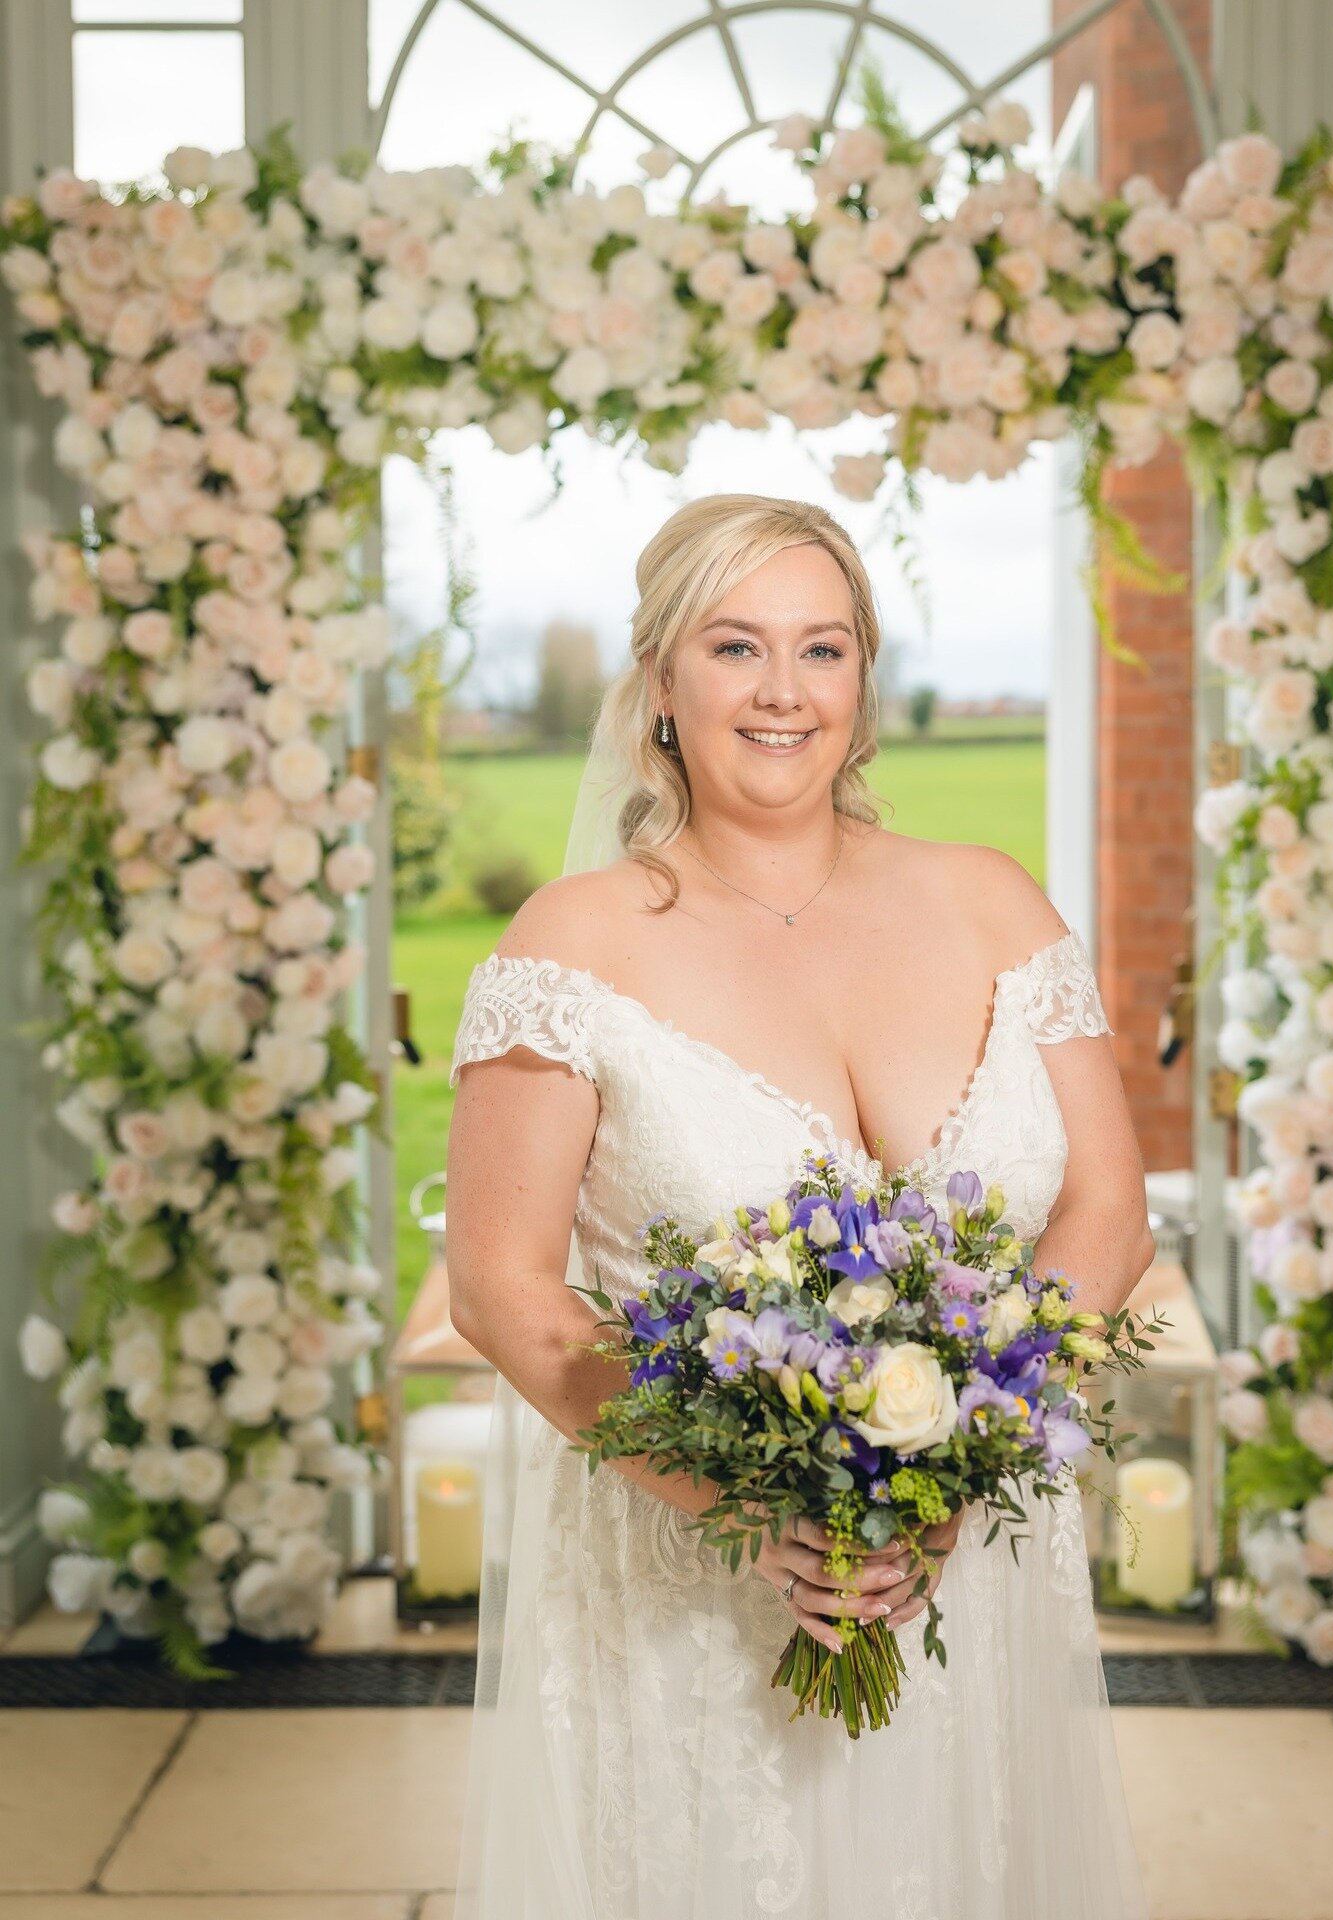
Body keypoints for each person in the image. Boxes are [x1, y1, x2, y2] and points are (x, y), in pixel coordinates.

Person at [444, 493, 1153, 1919]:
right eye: (735, 647)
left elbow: (1110, 1208)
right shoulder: (574, 944)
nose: (784, 692)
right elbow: (502, 1286)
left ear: (863, 683)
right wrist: (741, 1504)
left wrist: (954, 1476)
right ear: (659, 684)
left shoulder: (994, 905)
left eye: (822, 649)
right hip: (691, 1577)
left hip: (966, 1571)